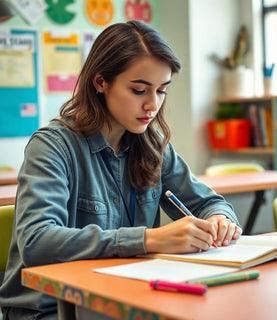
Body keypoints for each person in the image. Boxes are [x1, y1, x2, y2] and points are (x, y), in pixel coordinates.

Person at [0, 20, 242, 319]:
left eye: (161, 90)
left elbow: (209, 202)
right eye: (139, 90)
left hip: (124, 295)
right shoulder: (52, 147)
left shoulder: (152, 145)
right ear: (101, 82)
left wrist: (220, 219)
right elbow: (37, 241)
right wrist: (149, 239)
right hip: (49, 309)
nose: (152, 105)